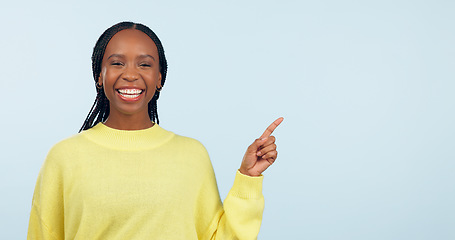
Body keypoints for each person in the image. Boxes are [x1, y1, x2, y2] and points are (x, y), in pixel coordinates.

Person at [27, 21, 283, 240]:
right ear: (99, 75)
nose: (130, 75)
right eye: (117, 63)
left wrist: (247, 177)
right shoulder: (64, 157)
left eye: (145, 65)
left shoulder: (192, 155)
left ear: (160, 78)